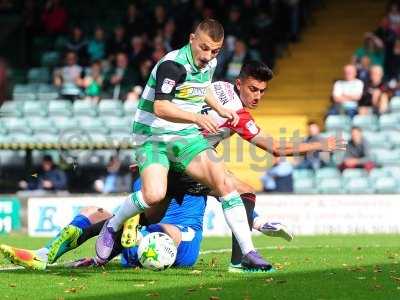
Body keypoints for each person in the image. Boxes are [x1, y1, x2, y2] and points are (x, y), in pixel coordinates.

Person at [95, 19, 273, 272]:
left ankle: (248, 253)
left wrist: (219, 108)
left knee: (224, 184)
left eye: (215, 51)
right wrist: (197, 117)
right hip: (152, 134)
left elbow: (201, 90)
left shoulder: (208, 62)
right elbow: (161, 107)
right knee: (153, 195)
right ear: (191, 40)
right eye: (204, 48)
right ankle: (113, 225)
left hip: (184, 134)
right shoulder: (173, 66)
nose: (208, 56)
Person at [0, 174, 292, 271]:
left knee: (164, 229)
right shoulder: (153, 176)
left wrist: (259, 221)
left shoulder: (196, 173)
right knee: (95, 209)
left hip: (178, 241)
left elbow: (234, 198)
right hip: (142, 239)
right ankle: (44, 254)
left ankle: (126, 239)